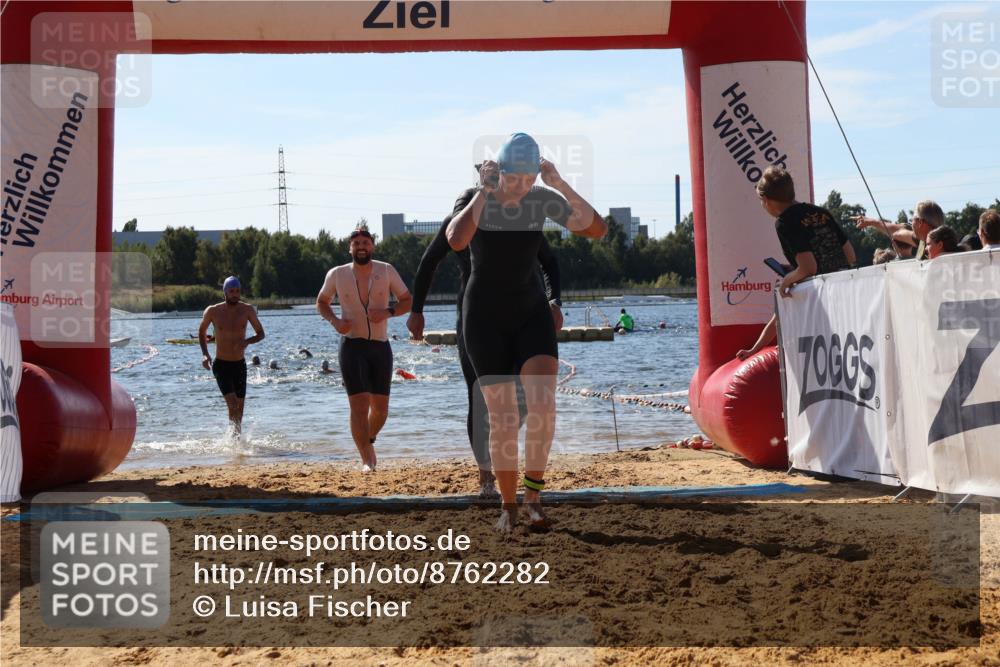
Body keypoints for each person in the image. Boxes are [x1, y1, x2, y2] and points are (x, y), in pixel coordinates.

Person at [446, 132, 606, 531]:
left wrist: (560, 184)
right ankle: (508, 505)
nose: (519, 187)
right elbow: (455, 239)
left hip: (530, 313)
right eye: (512, 178)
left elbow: (597, 229)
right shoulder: (475, 199)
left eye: (527, 178)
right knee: (501, 419)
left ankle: (533, 497)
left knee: (543, 407)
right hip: (484, 319)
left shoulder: (540, 199)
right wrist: (485, 191)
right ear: (498, 171)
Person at [407, 200, 563, 499]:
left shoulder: (516, 218)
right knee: (480, 397)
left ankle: (510, 463)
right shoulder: (457, 224)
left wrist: (555, 300)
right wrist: (417, 311)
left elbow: (549, 260)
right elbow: (429, 262)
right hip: (476, 318)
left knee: (529, 399)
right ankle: (485, 474)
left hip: (526, 313)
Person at [316, 226, 412, 472]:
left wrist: (388, 312)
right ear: (350, 248)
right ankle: (367, 459)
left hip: (380, 346)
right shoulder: (337, 274)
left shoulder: (386, 270)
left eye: (365, 243)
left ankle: (367, 439)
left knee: (380, 410)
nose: (361, 247)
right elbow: (322, 302)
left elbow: (407, 301)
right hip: (351, 345)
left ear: (372, 246)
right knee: (358, 407)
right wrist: (335, 321)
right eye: (356, 243)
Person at [737, 167, 855, 361]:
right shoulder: (821, 212)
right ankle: (755, 348)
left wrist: (787, 279)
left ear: (766, 200)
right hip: (845, 293)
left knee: (786, 295)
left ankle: (754, 350)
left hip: (822, 302)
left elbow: (809, 268)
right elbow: (849, 256)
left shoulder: (784, 222)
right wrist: (795, 271)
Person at [198, 276, 265, 436]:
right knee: (233, 404)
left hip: (239, 365)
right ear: (225, 292)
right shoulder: (213, 311)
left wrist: (247, 341)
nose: (235, 294)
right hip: (221, 365)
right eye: (232, 291)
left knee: (239, 411)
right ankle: (232, 440)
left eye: (238, 291)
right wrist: (205, 355)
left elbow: (261, 333)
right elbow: (201, 332)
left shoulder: (247, 310)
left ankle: (235, 440)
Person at [853, 200, 945, 260]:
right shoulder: (922, 240)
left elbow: (896, 232)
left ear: (920, 222)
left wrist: (872, 222)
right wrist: (872, 222)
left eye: (912, 219)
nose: (911, 223)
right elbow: (896, 232)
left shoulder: (941, 243)